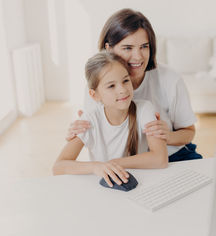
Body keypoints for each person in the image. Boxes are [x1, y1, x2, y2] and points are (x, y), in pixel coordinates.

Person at [66, 8, 202, 162]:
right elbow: (96, 135)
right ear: (108, 48)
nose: (138, 57)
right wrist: (80, 132)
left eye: (144, 46)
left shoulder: (169, 79)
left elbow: (189, 132)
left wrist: (168, 135)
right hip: (126, 162)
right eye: (128, 48)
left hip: (173, 155)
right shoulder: (98, 87)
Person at [53, 51, 168, 187]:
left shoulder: (145, 109)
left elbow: (160, 159)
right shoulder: (90, 120)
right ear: (94, 95)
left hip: (142, 183)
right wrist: (96, 167)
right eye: (111, 86)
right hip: (106, 187)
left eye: (125, 81)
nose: (122, 90)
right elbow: (58, 167)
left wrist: (114, 163)